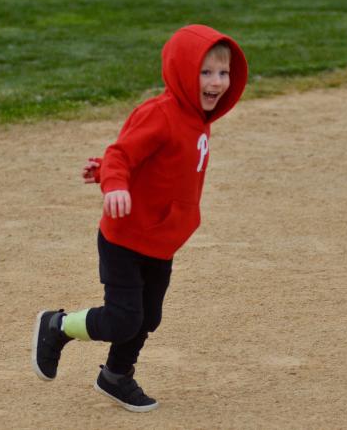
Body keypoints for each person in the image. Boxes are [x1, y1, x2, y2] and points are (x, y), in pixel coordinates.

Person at [32, 24, 248, 412]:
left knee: (148, 318)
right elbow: (122, 154)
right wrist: (112, 180)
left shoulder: (198, 119)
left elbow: (158, 167)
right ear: (182, 71)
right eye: (206, 72)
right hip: (125, 238)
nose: (217, 82)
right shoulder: (160, 113)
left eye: (223, 73)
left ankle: (115, 377)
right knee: (121, 320)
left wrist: (109, 175)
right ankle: (57, 326)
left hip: (160, 240)